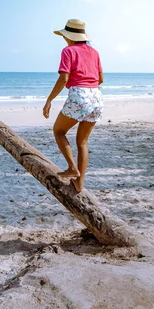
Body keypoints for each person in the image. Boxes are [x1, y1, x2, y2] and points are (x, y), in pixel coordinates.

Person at [43, 19, 103, 193]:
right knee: (83, 142)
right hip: (96, 97)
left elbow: (64, 78)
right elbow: (101, 79)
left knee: (59, 131)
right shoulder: (94, 52)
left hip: (80, 96)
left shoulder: (68, 51)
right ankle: (79, 183)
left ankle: (72, 168)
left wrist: (49, 100)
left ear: (68, 36)